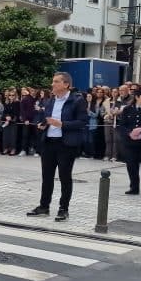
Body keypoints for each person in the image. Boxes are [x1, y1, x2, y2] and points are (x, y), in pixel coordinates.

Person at [27, 72, 89, 221]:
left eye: (56, 82)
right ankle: (44, 206)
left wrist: (63, 125)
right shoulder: (50, 101)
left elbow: (82, 122)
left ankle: (63, 209)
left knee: (65, 177)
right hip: (49, 142)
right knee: (46, 176)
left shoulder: (77, 101)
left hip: (66, 144)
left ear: (66, 84)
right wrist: (42, 124)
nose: (52, 84)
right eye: (53, 82)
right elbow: (45, 119)